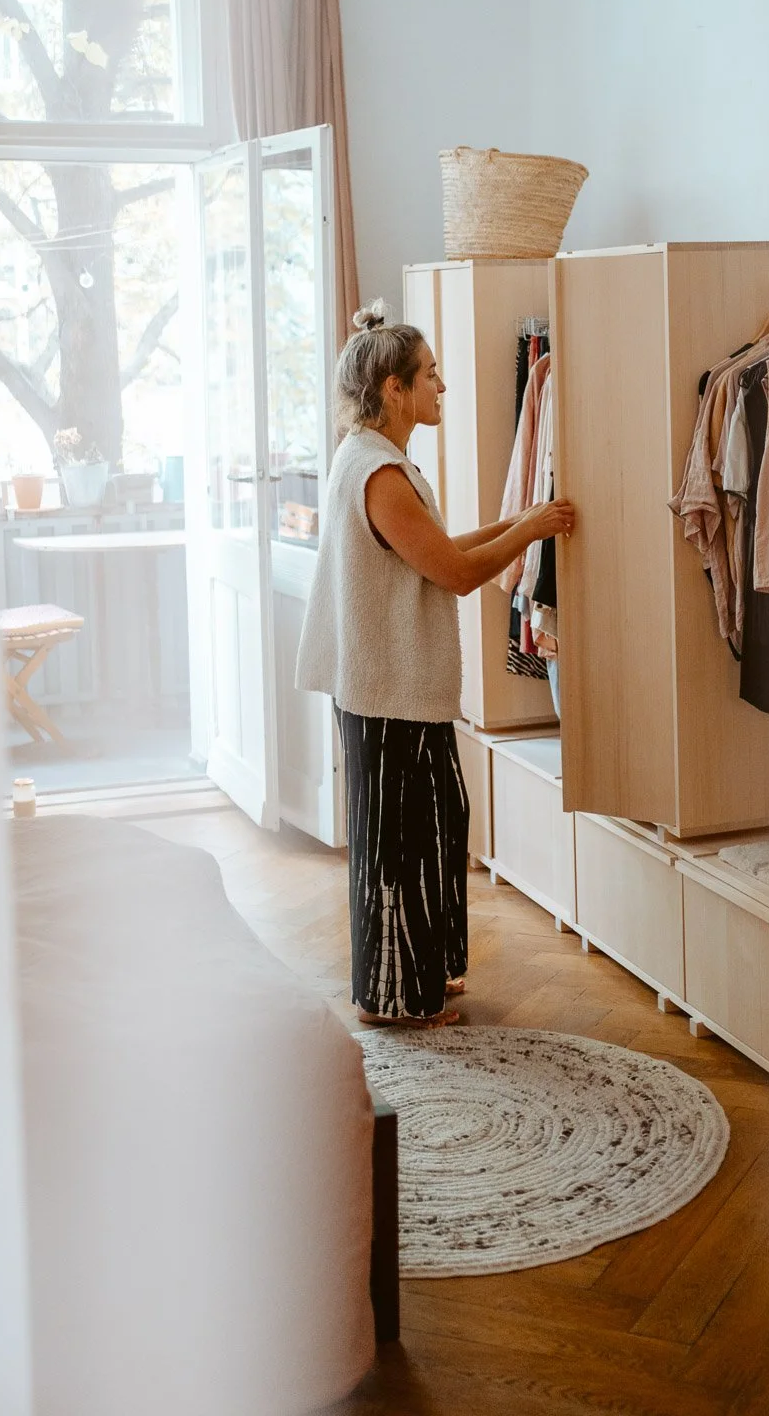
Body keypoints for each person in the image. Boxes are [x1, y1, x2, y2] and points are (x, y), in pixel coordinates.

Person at [295, 300, 575, 1028]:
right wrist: (533, 529)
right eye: (431, 374)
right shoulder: (378, 474)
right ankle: (395, 996)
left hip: (395, 688)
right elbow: (452, 571)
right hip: (389, 691)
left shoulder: (375, 459)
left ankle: (423, 970)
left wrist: (521, 523)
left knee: (438, 822)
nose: (442, 386)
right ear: (394, 389)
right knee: (400, 844)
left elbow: (435, 546)